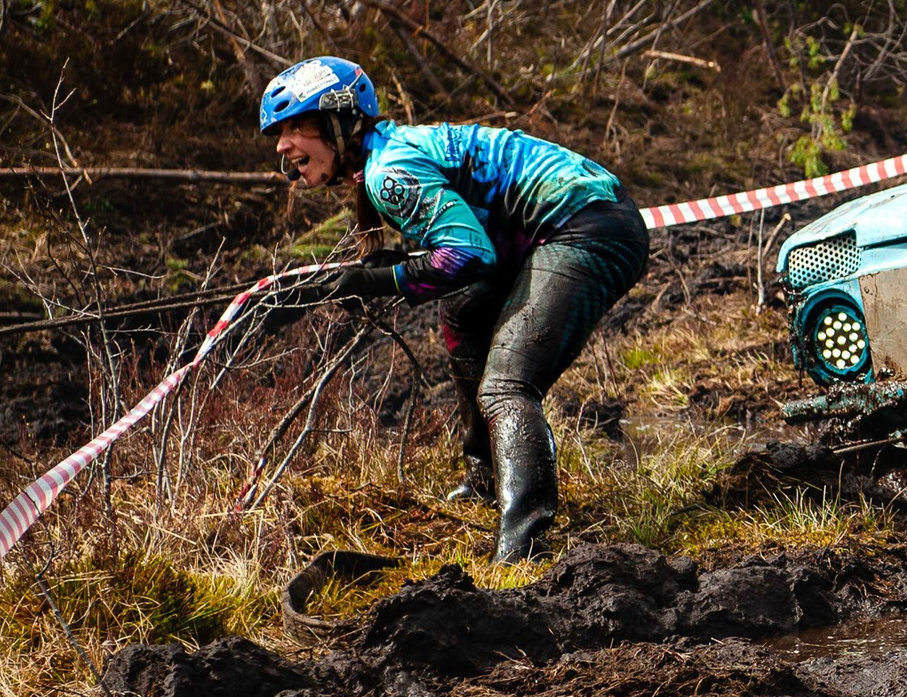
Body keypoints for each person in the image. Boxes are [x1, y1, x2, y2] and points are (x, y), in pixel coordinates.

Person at [258, 57, 648, 559]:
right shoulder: (384, 158)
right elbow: (468, 248)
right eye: (279, 132)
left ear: (339, 122)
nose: (282, 144)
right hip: (576, 222)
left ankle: (521, 549)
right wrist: (383, 268)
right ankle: (484, 479)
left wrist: (371, 279)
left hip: (587, 229)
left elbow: (468, 255)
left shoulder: (388, 171)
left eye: (294, 127)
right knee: (462, 314)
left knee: (507, 386)